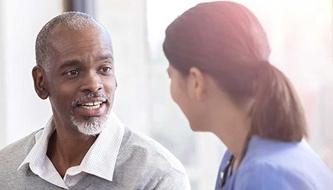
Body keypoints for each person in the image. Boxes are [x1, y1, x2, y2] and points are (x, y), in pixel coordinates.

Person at [0, 12, 190, 190]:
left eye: (104, 69)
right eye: (73, 72)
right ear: (41, 83)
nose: (93, 85)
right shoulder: (5, 169)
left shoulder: (158, 175)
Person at [163, 1, 333, 190]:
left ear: (196, 82)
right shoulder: (235, 160)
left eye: (171, 76)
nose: (171, 93)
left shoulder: (265, 177)